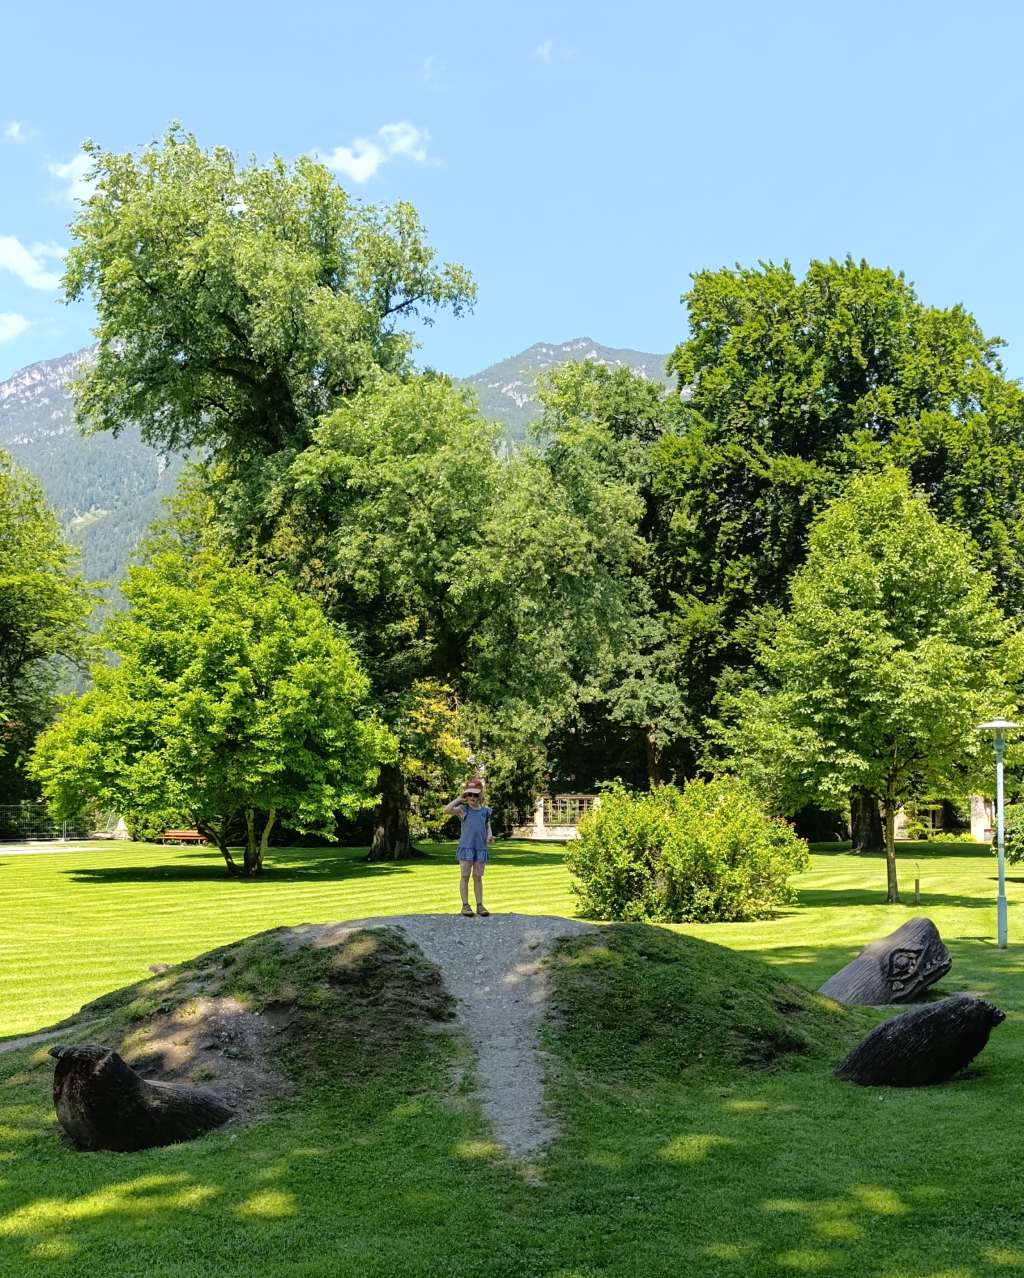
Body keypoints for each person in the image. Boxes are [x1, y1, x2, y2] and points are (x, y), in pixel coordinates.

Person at [443, 779, 494, 917]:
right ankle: (465, 905)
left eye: (475, 795)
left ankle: (480, 905)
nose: (472, 797)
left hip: (480, 849)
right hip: (466, 848)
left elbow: (487, 826)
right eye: (469, 794)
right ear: (466, 796)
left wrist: (489, 836)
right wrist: (459, 799)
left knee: (478, 877)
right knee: (464, 876)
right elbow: (446, 810)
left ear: (480, 796)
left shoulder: (485, 811)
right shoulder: (462, 810)